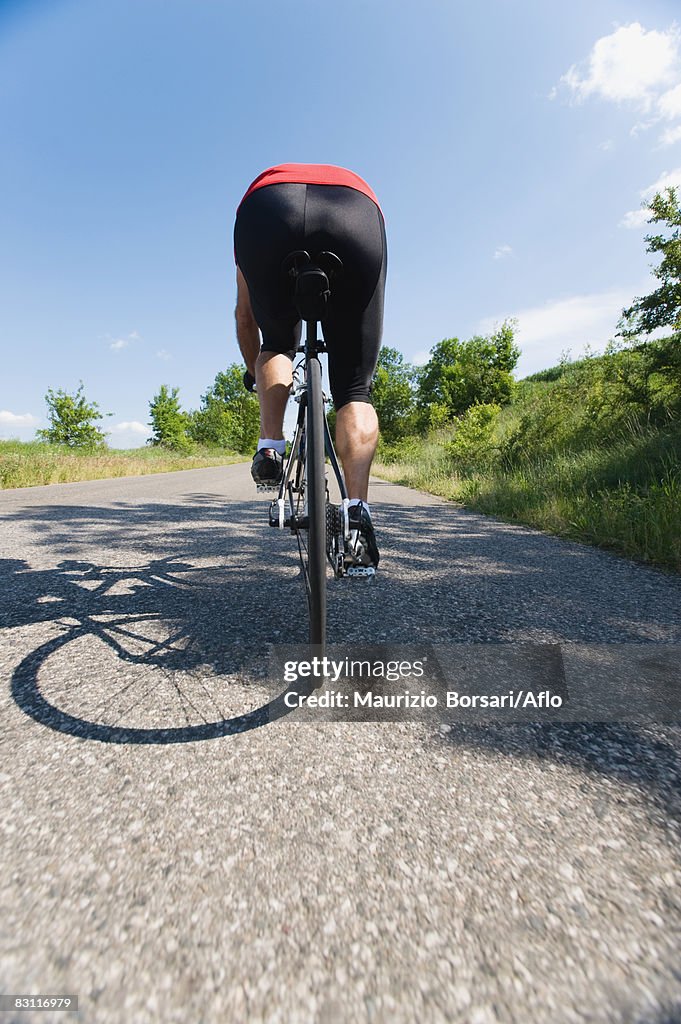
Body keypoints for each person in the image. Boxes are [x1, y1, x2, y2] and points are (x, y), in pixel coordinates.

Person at [233, 163, 387, 569]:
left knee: (279, 342)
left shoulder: (255, 212)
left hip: (266, 206)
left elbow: (245, 318)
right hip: (356, 207)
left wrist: (257, 371)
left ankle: (270, 446)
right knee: (354, 388)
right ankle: (357, 514)